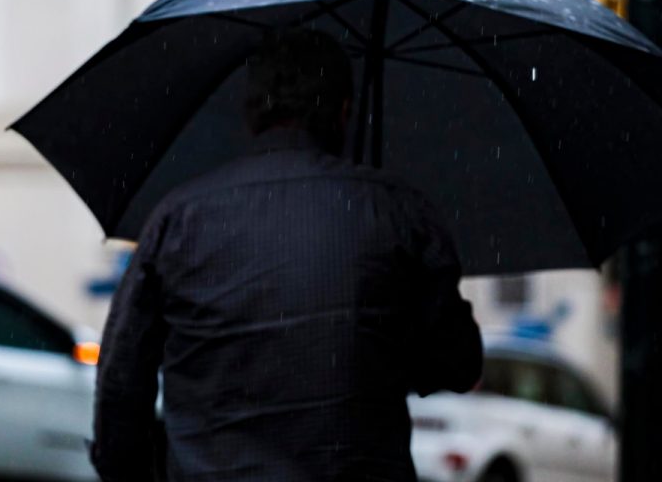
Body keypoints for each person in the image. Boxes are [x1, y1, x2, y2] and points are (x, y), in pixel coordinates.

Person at [91, 29, 483, 482]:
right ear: (343, 112)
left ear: (251, 115)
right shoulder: (399, 214)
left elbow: (122, 384)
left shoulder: (179, 219)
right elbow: (458, 364)